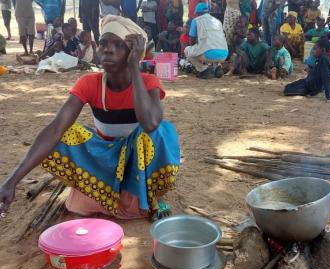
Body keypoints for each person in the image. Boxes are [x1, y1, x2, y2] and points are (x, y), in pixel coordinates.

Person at [0, 15, 180, 221]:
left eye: (118, 45)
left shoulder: (148, 82)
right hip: (106, 157)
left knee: (157, 133)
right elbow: (56, 128)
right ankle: (116, 192)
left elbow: (150, 123)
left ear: (133, 53)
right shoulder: (89, 83)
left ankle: (151, 196)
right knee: (67, 134)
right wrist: (12, 180)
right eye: (103, 43)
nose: (108, 49)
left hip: (138, 160)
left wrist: (134, 69)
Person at [185, 3, 228, 79]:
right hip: (224, 54)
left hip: (208, 53)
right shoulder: (218, 21)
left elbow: (191, 42)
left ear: (198, 13)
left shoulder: (196, 21)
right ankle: (217, 67)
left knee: (187, 50)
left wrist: (199, 43)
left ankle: (204, 69)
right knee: (213, 45)